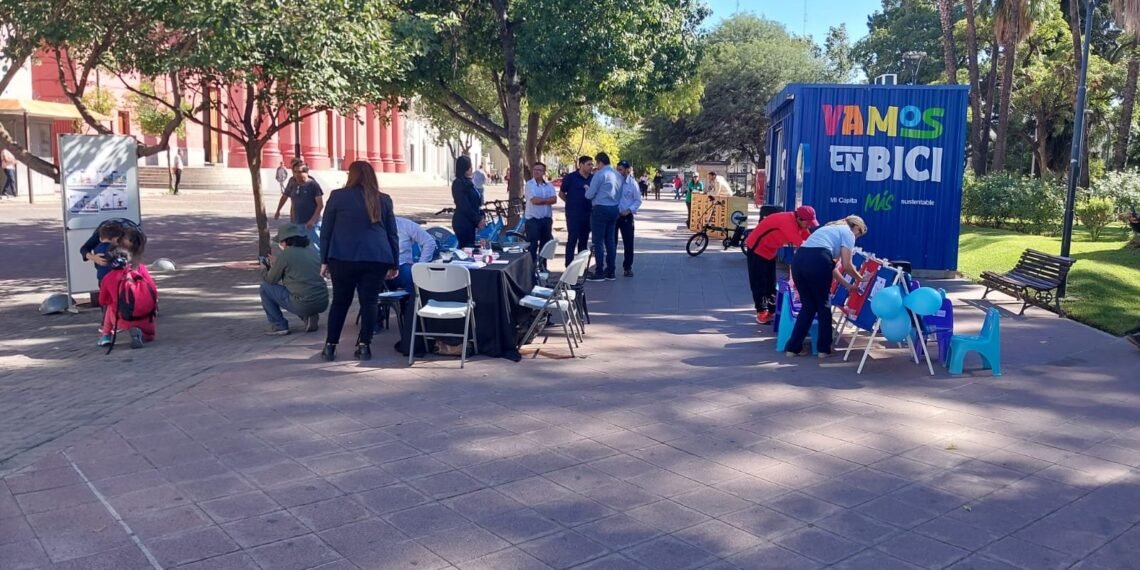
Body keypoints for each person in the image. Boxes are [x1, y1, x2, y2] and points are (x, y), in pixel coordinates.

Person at [319, 161, 400, 362]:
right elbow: (392, 233)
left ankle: (330, 346)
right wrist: (394, 262)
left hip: (342, 256)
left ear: (351, 176)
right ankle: (364, 346)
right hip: (376, 256)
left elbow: (326, 231)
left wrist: (324, 259)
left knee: (340, 301)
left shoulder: (338, 197)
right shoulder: (384, 200)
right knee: (370, 301)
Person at [784, 215, 868, 358]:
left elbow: (831, 267)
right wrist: (861, 279)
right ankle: (824, 348)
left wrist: (848, 285)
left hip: (799, 260)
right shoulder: (848, 233)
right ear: (856, 227)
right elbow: (846, 265)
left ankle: (793, 347)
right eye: (859, 234)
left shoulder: (830, 228)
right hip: (818, 261)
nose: (857, 237)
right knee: (824, 305)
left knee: (808, 306)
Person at [744, 206, 818, 325]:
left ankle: (772, 309)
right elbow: (801, 244)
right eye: (807, 223)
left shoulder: (800, 223)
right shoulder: (787, 222)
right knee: (759, 281)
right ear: (799, 218)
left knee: (770, 281)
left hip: (770, 250)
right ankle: (761, 311)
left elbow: (808, 239)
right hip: (756, 249)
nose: (809, 225)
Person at [260, 224, 329, 336]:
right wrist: (278, 262)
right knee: (300, 291)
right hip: (322, 301)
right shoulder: (311, 251)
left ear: (285, 241)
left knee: (265, 288)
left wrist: (263, 269)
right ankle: (309, 316)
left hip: (303, 302)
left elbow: (271, 279)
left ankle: (279, 325)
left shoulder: (286, 254)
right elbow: (298, 266)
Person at [97, 240, 156, 349]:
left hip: (123, 318)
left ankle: (106, 335)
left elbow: (102, 301)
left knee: (111, 305)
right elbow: (153, 289)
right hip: (146, 315)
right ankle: (142, 334)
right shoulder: (140, 268)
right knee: (150, 336)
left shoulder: (108, 278)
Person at [584, 152, 622, 281]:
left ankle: (599, 271)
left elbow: (589, 195)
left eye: (596, 163)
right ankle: (611, 271)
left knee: (598, 242)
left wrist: (586, 189)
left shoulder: (600, 174)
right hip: (614, 208)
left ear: (600, 162)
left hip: (600, 208)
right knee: (610, 241)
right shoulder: (617, 174)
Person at [274, 161, 324, 251]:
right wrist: (278, 210)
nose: (297, 174)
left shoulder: (313, 185)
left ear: (306, 172)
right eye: (295, 172)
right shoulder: (293, 183)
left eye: (300, 172)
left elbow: (320, 205)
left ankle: (318, 264)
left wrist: (312, 220)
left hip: (311, 223)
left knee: (315, 247)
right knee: (300, 248)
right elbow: (285, 196)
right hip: (297, 222)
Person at [559, 155, 594, 265]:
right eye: (588, 164)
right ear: (581, 165)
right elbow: (561, 194)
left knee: (583, 241)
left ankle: (580, 267)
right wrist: (570, 203)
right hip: (573, 214)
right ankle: (569, 265)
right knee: (572, 239)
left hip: (588, 214)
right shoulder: (570, 178)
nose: (591, 167)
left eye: (592, 164)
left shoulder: (593, 179)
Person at [524, 161, 557, 269]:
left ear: (544, 172)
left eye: (539, 170)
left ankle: (543, 267)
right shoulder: (529, 185)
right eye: (535, 170)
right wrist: (547, 200)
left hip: (546, 220)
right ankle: (531, 269)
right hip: (533, 220)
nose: (536, 172)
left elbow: (554, 199)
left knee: (545, 246)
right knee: (532, 246)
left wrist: (543, 200)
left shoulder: (549, 185)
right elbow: (534, 200)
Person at [393, 216, 437, 292]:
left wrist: (420, 265)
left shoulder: (405, 224)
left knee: (413, 275)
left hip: (401, 265)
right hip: (376, 267)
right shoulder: (368, 226)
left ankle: (412, 302)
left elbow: (429, 242)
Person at [615, 160, 643, 278]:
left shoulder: (633, 184)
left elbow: (638, 200)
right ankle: (610, 267)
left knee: (628, 242)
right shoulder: (613, 182)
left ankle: (627, 267)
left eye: (621, 170)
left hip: (626, 216)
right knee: (611, 242)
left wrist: (629, 210)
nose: (619, 172)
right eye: (618, 169)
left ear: (627, 170)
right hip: (614, 216)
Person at [451, 155, 483, 248]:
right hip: (463, 222)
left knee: (471, 247)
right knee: (467, 247)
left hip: (471, 221)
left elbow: (475, 203)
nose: (471, 169)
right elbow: (464, 205)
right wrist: (477, 219)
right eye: (469, 167)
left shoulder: (469, 182)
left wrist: (481, 216)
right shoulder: (458, 183)